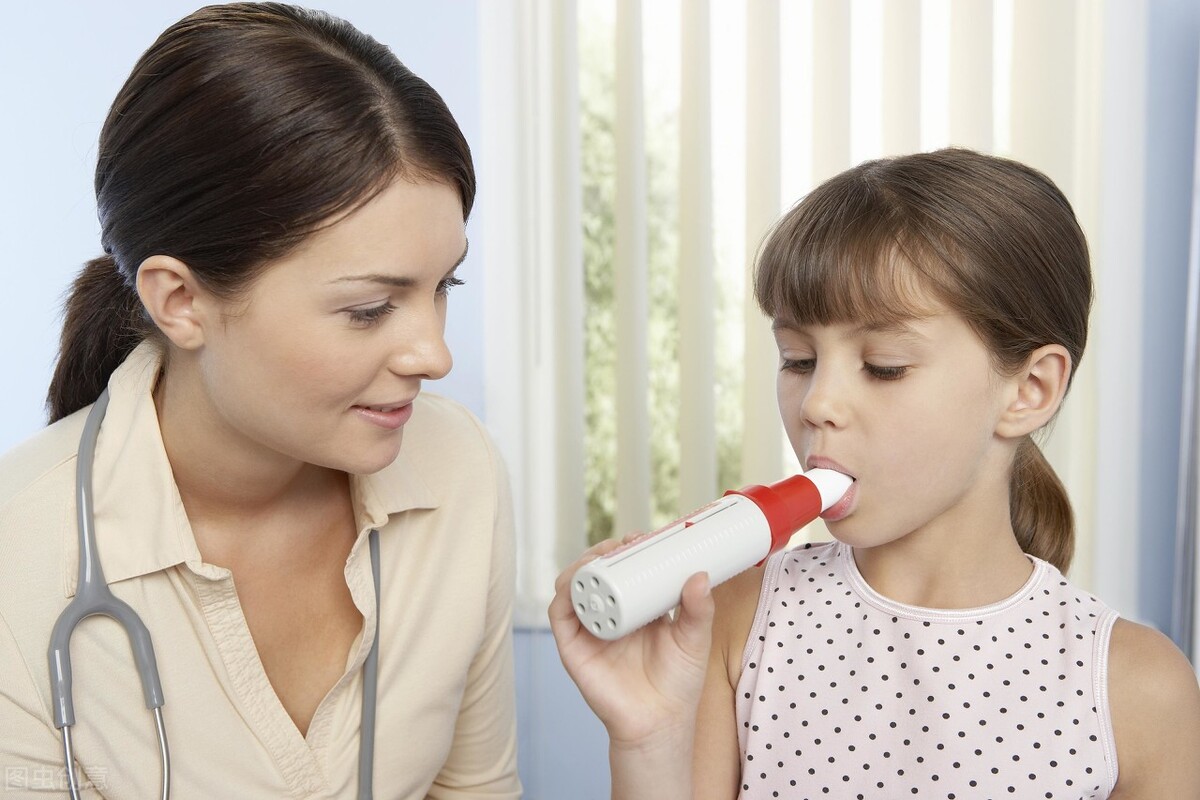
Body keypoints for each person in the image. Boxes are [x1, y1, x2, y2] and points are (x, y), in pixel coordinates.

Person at [549, 148, 1200, 799]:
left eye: (883, 366)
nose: (817, 404)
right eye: (798, 359)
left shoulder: (1135, 689)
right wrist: (650, 740)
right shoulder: (738, 619)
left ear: (1029, 390)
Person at [0, 4, 520, 798]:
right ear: (180, 301)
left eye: (443, 285)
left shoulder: (458, 473)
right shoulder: (18, 557)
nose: (435, 355)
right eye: (369, 309)